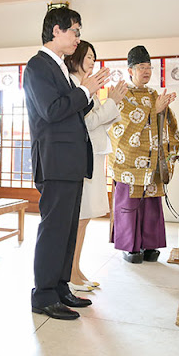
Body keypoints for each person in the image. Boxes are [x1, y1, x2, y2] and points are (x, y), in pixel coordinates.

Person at [23, 6, 111, 320]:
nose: (78, 37)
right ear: (56, 31)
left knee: (67, 229)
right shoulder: (37, 65)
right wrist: (86, 89)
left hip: (70, 160)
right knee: (53, 229)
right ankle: (43, 294)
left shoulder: (59, 65)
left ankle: (60, 287)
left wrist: (90, 91)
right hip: (55, 159)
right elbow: (51, 109)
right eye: (75, 30)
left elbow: (72, 110)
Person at [64, 41, 128, 292]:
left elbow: (100, 123)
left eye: (94, 57)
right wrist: (110, 102)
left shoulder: (88, 87)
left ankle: (76, 269)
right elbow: (87, 122)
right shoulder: (74, 86)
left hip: (95, 153)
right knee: (80, 217)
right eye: (88, 56)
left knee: (85, 217)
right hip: (83, 156)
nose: (92, 61)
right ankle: (70, 272)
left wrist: (112, 102)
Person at [108, 45, 179, 263]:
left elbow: (163, 122)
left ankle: (149, 245)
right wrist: (154, 110)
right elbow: (124, 123)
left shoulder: (153, 94)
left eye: (149, 67)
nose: (146, 71)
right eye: (141, 67)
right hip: (129, 160)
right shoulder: (123, 93)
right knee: (129, 204)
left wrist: (164, 110)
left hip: (151, 160)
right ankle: (130, 247)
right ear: (130, 70)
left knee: (151, 204)